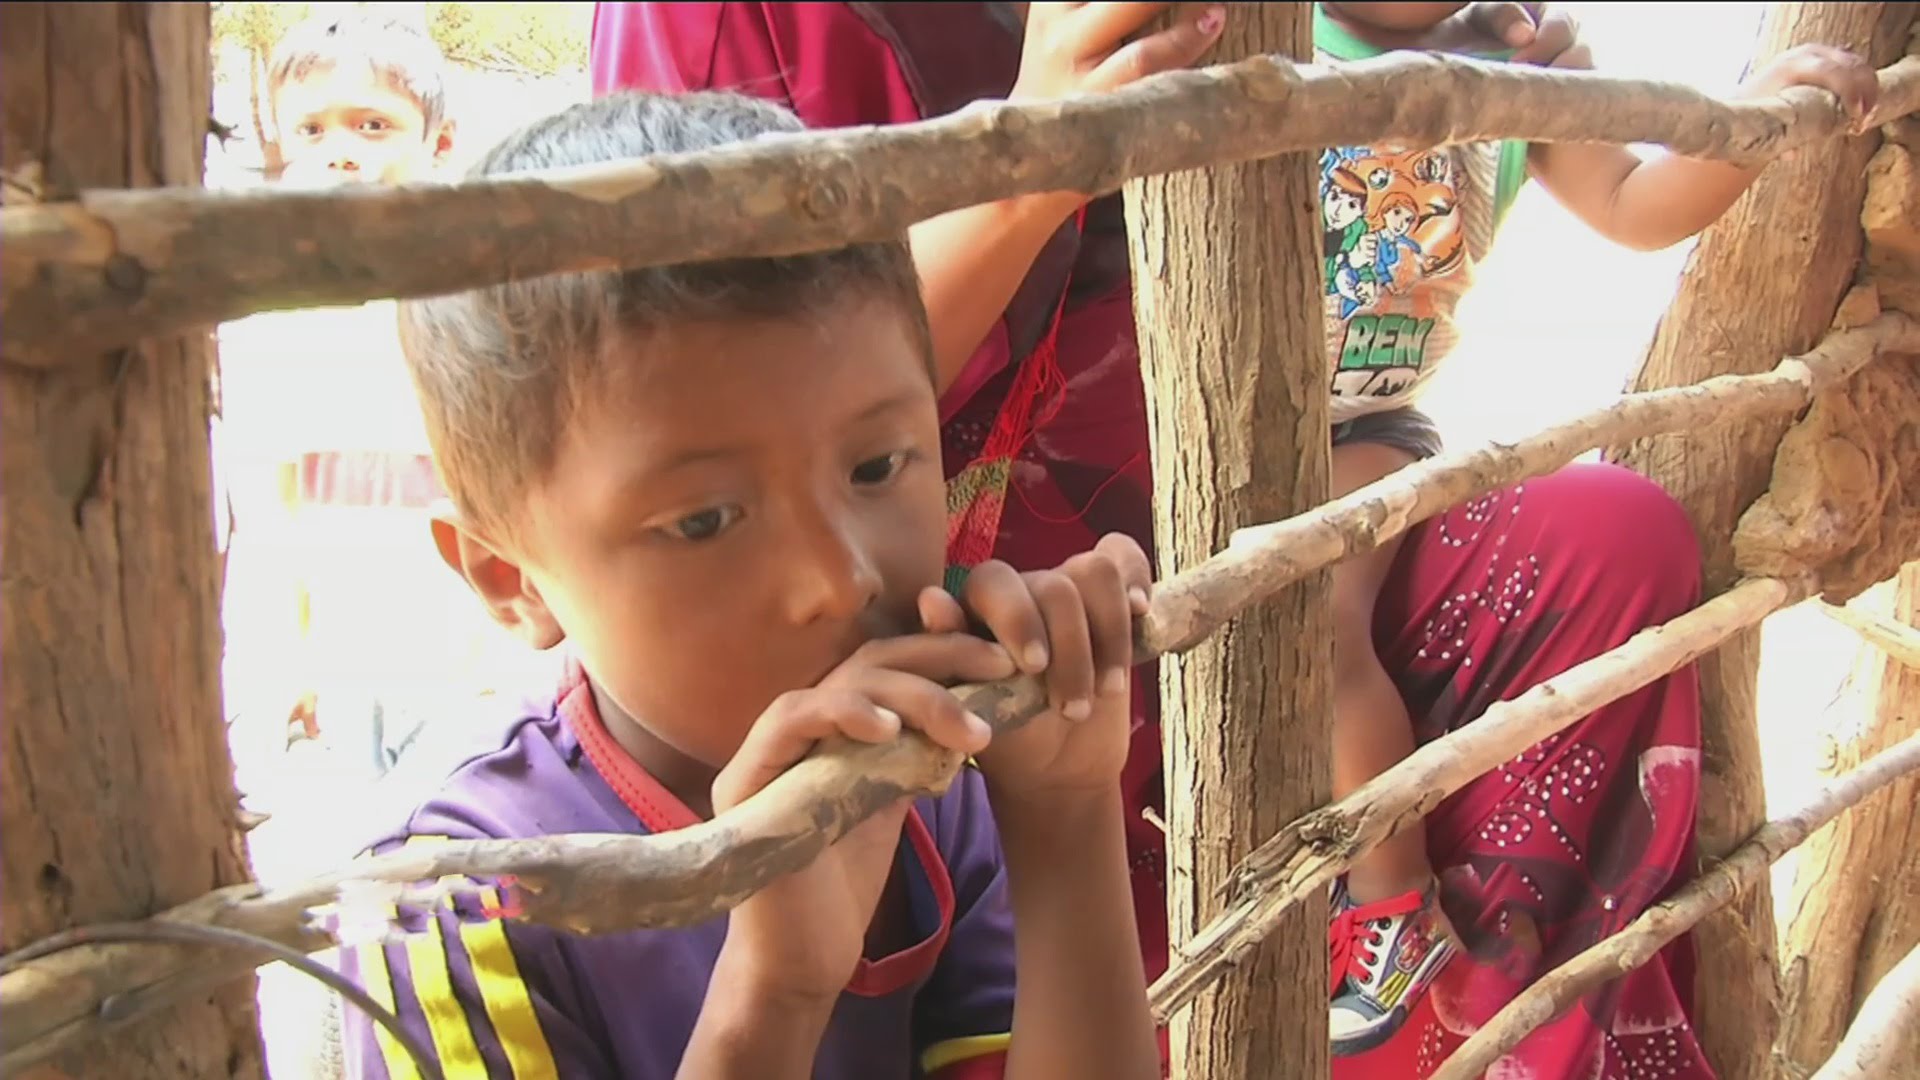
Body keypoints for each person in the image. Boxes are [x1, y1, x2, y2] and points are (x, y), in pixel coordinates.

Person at [584, 3, 1820, 1076]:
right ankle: (1340, 946)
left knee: (1607, 547)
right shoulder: (724, 29)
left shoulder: (1459, 48)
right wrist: (1032, 166)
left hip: (1290, 488)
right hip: (981, 630)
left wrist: (1714, 122)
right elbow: (731, 419)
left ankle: (1453, 1016)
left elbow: (1623, 194)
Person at [336, 88, 1165, 1080]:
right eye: (704, 520)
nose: (839, 578)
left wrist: (1066, 818)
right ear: (510, 577)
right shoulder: (461, 901)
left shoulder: (929, 790)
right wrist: (775, 995)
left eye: (876, 467)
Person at [1310, 1, 1877, 1054]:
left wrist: (1755, 115)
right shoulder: (1264, 40)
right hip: (1229, 417)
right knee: (1313, 624)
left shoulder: (1515, 69)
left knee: (1324, 616)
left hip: (1369, 425)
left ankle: (1390, 920)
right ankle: (1384, 899)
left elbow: (1632, 199)